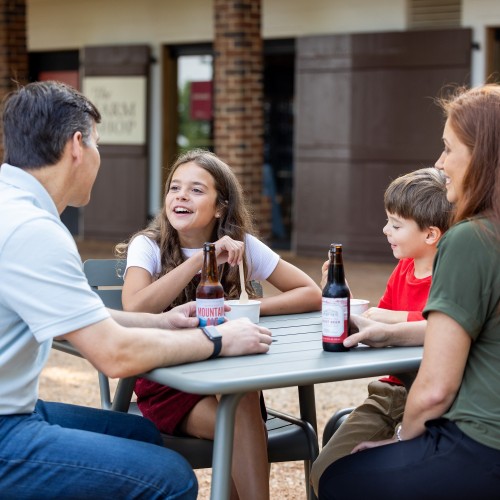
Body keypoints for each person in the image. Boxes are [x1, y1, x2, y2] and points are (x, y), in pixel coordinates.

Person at [0, 81, 273, 499]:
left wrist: (160, 321)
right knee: (168, 476)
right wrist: (216, 340)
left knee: (139, 435)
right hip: (7, 427)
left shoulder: (13, 209)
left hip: (16, 411)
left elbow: (80, 317)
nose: (98, 157)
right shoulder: (33, 230)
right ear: (77, 145)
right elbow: (115, 355)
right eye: (97, 145)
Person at [319, 84, 500, 499]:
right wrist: (388, 331)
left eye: (448, 149)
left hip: (482, 447)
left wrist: (401, 437)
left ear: (482, 157)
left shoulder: (473, 240)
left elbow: (435, 389)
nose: (440, 162)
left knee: (337, 479)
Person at [115, 148, 322, 500]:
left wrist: (249, 307)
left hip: (231, 378)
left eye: (196, 190)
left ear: (220, 206)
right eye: (174, 188)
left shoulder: (242, 247)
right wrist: (202, 261)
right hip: (171, 386)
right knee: (241, 422)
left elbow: (311, 293)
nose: (181, 195)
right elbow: (136, 306)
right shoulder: (147, 246)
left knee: (241, 400)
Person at [310, 167, 452, 493]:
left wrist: (385, 319)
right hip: (386, 394)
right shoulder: (403, 267)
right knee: (323, 470)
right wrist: (339, 295)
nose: (385, 229)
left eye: (396, 225)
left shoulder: (450, 274)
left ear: (430, 235)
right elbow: (377, 315)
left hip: (428, 401)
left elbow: (424, 321)